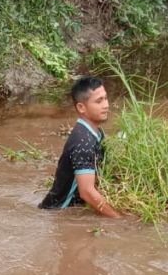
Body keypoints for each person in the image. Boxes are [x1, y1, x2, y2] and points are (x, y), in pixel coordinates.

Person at [39, 76, 122, 218]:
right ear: (81, 107)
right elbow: (87, 192)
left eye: (106, 98)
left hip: (74, 210)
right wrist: (117, 217)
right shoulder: (82, 142)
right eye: (99, 101)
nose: (106, 105)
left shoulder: (95, 132)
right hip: (58, 214)